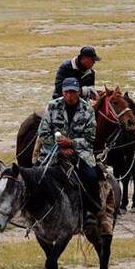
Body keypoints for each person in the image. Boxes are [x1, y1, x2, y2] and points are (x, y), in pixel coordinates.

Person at [37, 77, 102, 215]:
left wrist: (71, 143)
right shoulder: (52, 106)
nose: (69, 96)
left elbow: (90, 139)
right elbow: (43, 134)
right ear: (62, 92)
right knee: (37, 176)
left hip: (80, 154)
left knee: (91, 177)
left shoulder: (87, 109)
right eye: (66, 92)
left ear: (78, 92)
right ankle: (34, 211)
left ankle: (92, 211)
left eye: (73, 92)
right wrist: (60, 148)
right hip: (52, 152)